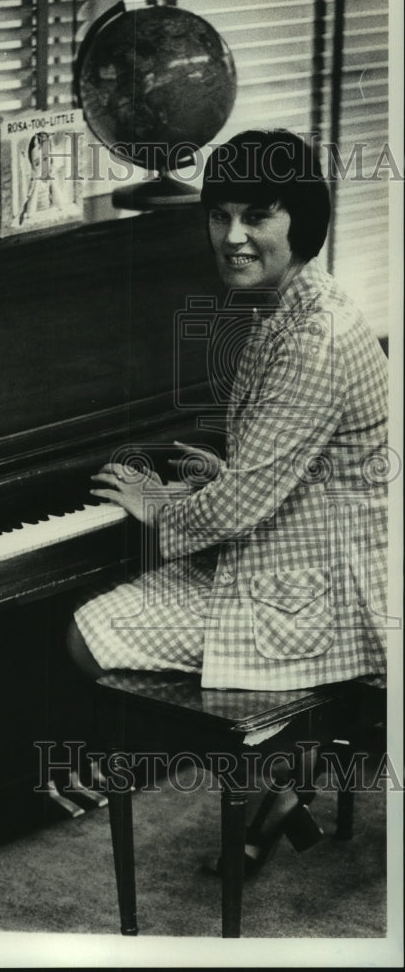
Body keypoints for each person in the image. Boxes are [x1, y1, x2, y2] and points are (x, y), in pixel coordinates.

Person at [67, 129, 389, 869]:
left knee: (88, 630)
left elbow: (244, 507)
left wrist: (159, 507)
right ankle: (277, 764)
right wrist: (229, 472)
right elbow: (295, 468)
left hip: (323, 597)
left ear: (299, 221)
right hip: (321, 558)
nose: (232, 236)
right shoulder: (305, 304)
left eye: (258, 216)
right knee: (141, 602)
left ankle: (269, 756)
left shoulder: (310, 337)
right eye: (219, 215)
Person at [18, 132, 65, 224]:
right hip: (34, 217)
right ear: (31, 165)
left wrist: (52, 179)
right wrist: (37, 180)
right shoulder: (32, 181)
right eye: (36, 163)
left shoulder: (50, 178)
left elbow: (60, 205)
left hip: (46, 214)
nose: (41, 167)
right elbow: (30, 213)